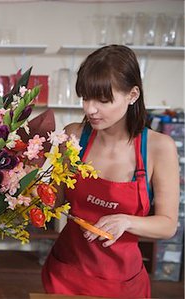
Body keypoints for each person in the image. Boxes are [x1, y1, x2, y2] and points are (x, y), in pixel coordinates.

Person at [41, 44, 179, 298]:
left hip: (123, 284)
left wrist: (126, 221)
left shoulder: (159, 148)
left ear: (133, 94)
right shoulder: (74, 137)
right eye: (85, 97)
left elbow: (168, 225)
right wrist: (28, 180)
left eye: (103, 100)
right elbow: (55, 202)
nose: (89, 109)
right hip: (66, 275)